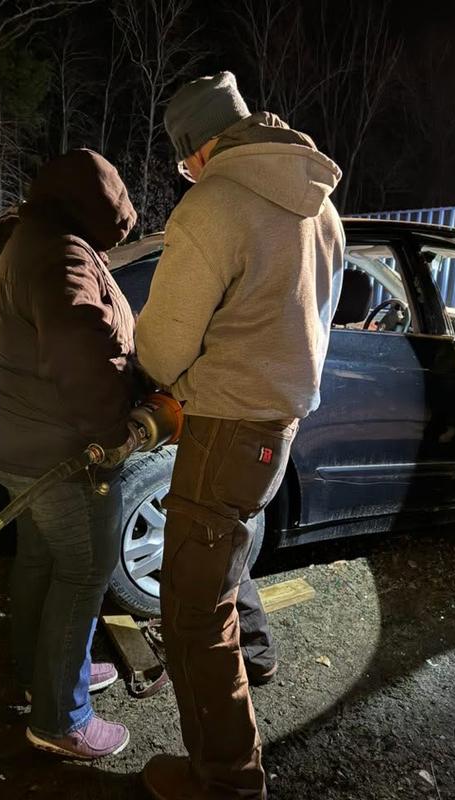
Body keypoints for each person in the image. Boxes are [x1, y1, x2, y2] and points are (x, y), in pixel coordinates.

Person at [136, 72, 345, 799]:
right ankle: (253, 655)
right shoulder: (319, 203)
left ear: (199, 147)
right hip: (278, 423)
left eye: (182, 160)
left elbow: (164, 344)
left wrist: (153, 370)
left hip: (225, 424)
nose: (186, 172)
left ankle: (227, 781)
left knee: (192, 610)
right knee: (226, 543)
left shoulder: (215, 203)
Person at [0, 149, 140, 760]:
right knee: (86, 569)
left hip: (10, 439)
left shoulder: (30, 238)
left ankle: (43, 672)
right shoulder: (61, 255)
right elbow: (81, 359)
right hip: (55, 449)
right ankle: (61, 717)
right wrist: (115, 434)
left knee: (42, 558)